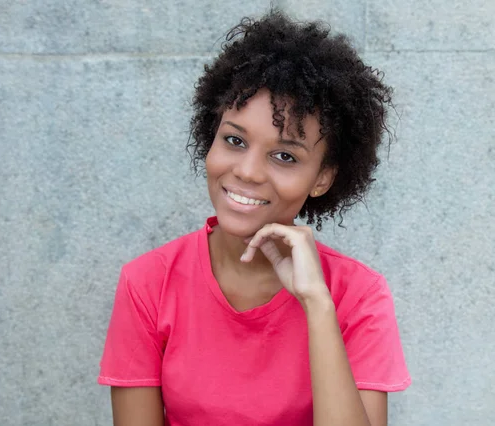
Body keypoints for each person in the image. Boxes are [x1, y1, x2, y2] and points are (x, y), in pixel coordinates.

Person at [98, 10, 410, 426]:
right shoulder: (147, 284)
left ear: (321, 178)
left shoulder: (359, 296)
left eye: (284, 156)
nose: (247, 171)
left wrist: (318, 306)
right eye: (234, 139)